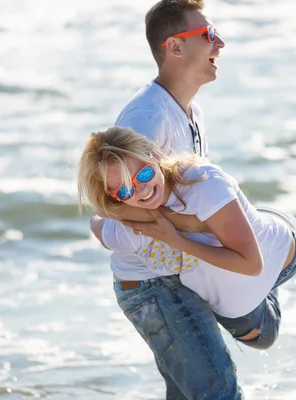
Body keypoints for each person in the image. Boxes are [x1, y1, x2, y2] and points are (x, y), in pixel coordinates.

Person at [93, 1, 245, 398]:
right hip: (153, 283)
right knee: (218, 392)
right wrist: (197, 227)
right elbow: (111, 200)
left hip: (173, 274)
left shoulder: (189, 112)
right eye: (208, 35)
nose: (220, 43)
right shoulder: (147, 118)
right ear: (174, 48)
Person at [77, 125, 296, 356]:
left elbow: (252, 265)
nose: (142, 190)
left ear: (155, 156)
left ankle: (245, 231)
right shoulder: (129, 217)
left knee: (263, 333)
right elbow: (98, 220)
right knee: (260, 340)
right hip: (231, 294)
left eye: (144, 174)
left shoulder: (204, 184)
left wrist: (176, 239)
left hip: (278, 256)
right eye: (125, 190)